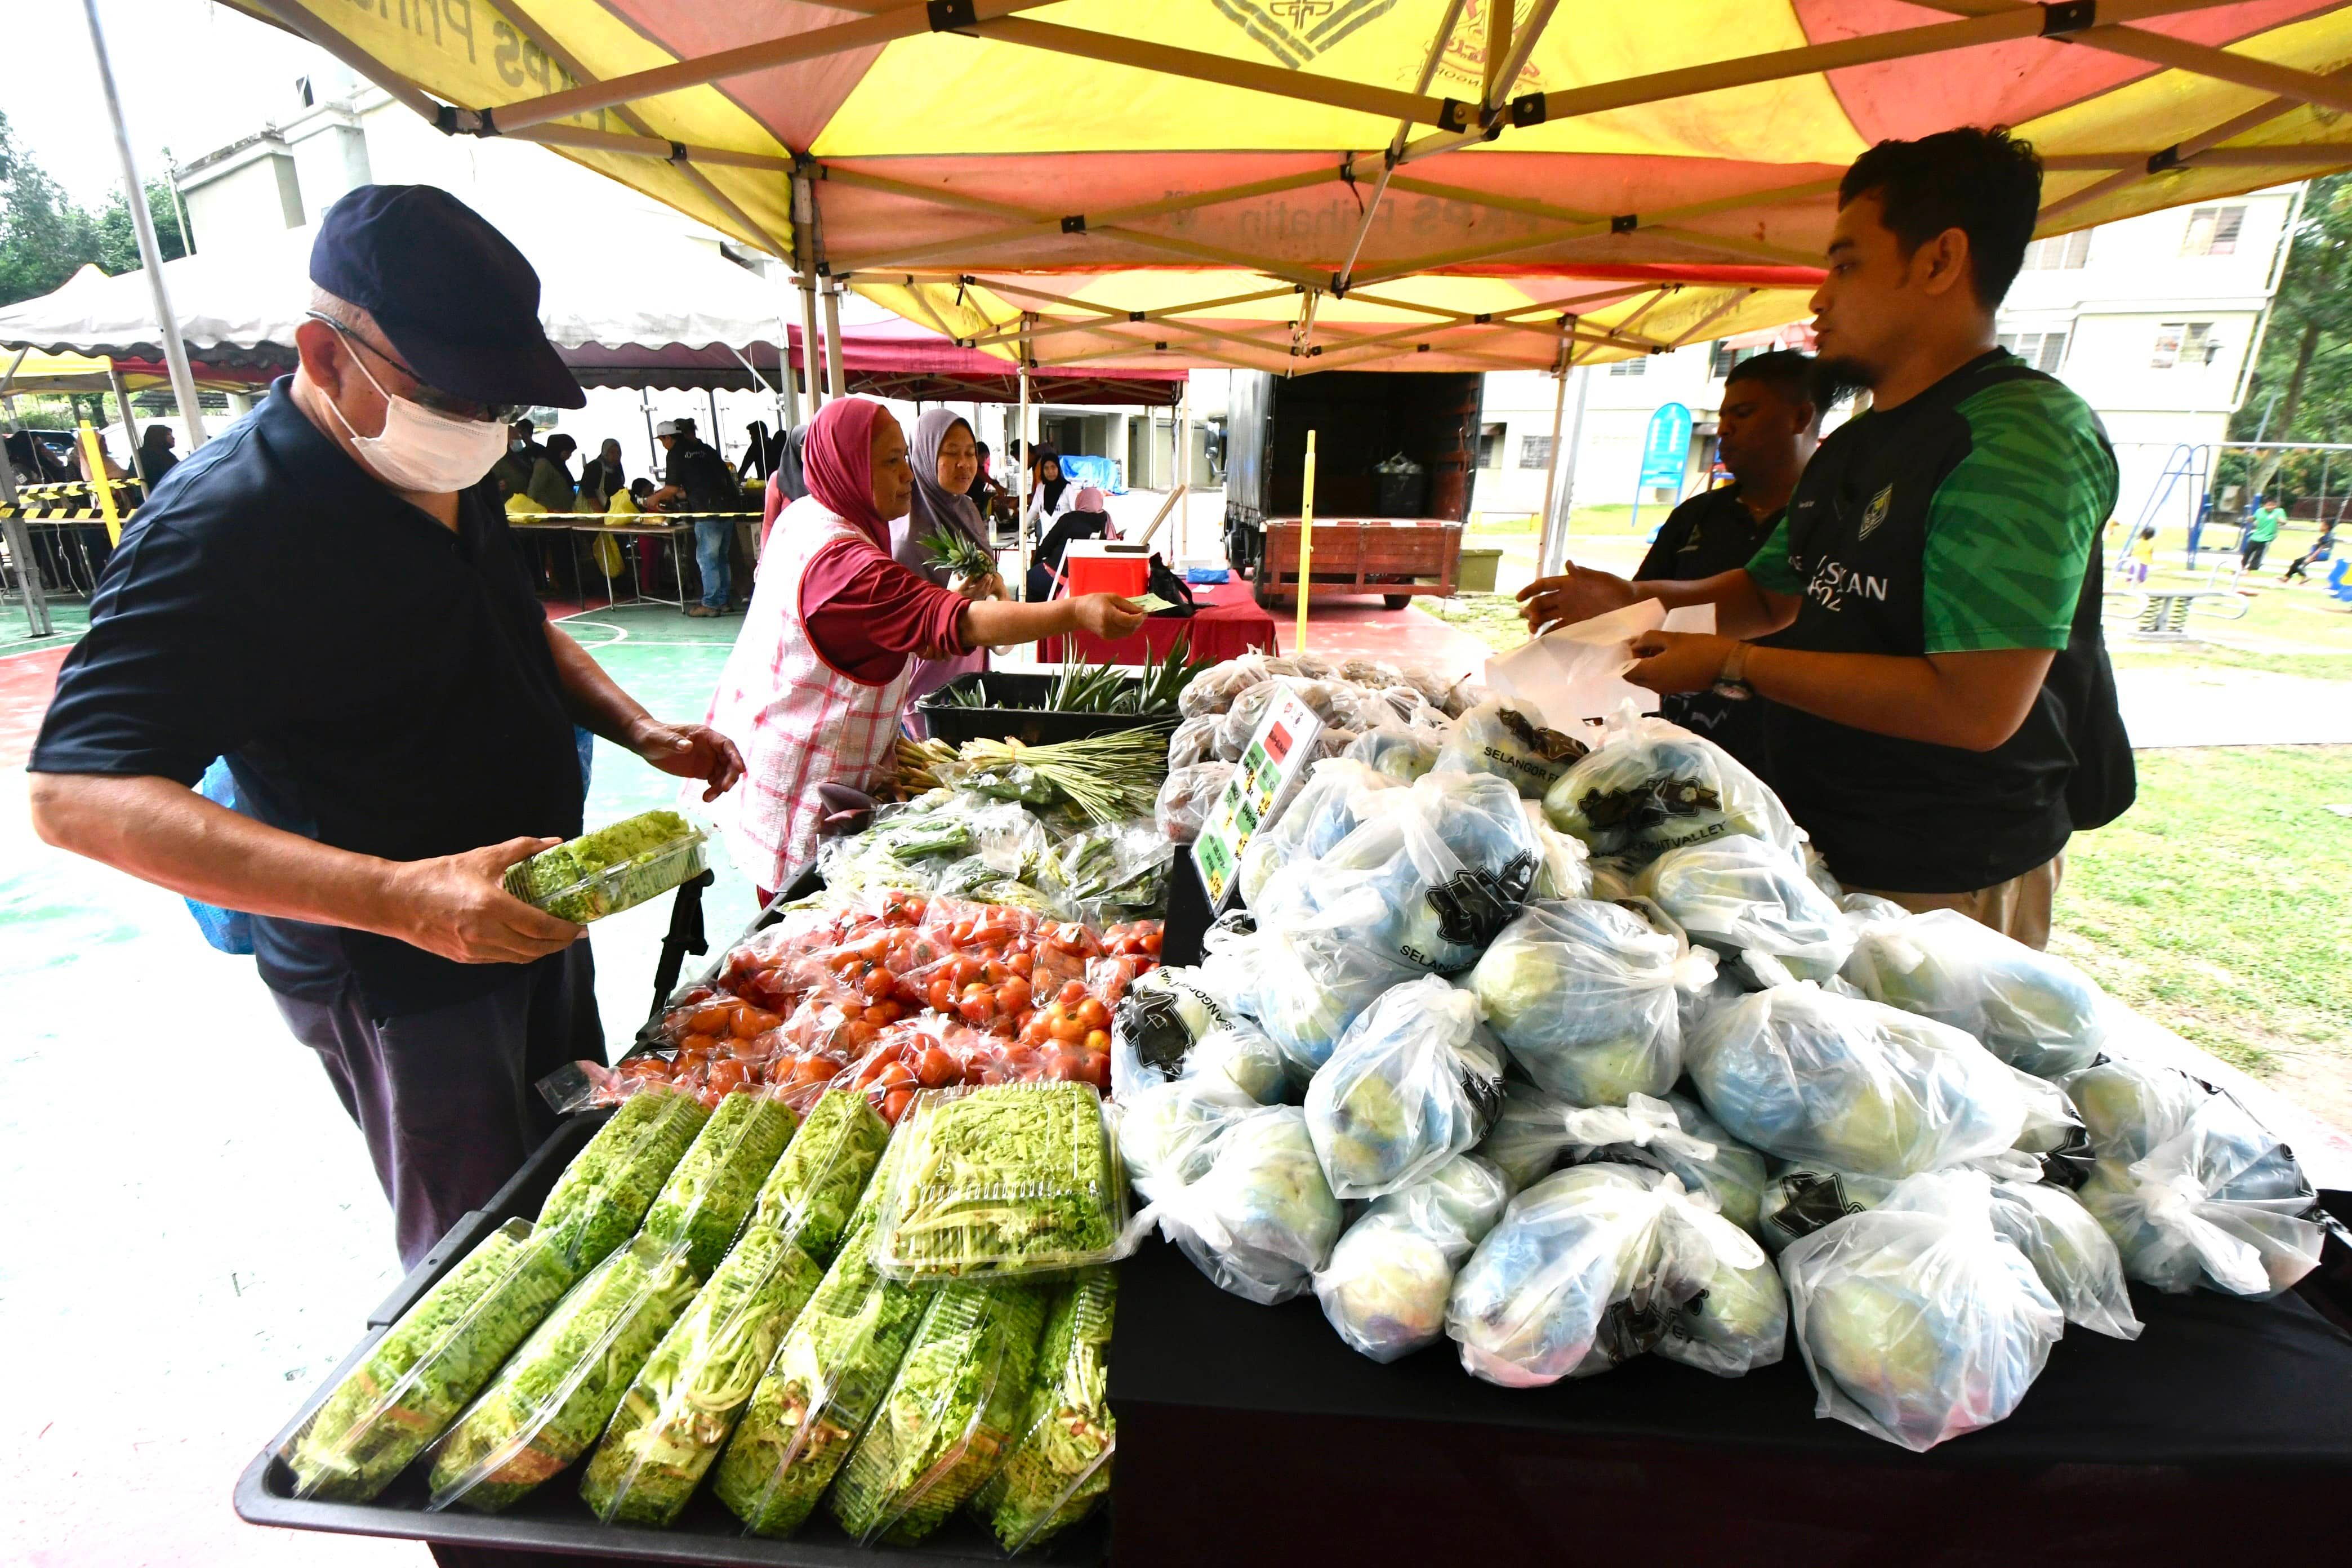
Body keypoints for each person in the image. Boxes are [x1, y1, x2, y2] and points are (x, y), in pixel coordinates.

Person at [25, 185, 744, 1267]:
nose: (484, 430)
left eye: (503, 407)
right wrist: (401, 896)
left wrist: (639, 726)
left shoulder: (443, 466)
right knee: (478, 1244)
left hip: (536, 908)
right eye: (454, 396)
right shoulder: (225, 525)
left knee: (578, 1155)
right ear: (325, 353)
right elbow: (74, 795)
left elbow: (511, 626)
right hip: (399, 973)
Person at [1517, 128, 2130, 951]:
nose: (1818, 299)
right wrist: (1637, 604)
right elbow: (1770, 595)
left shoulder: (2020, 439)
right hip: (1817, 840)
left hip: (1944, 871)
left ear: (1940, 261)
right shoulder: (1858, 443)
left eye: (1845, 265)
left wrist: (1736, 665)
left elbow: (1980, 704)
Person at [703, 397, 1146, 902]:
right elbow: (957, 622)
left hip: (778, 755)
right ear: (846, 466)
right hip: (802, 792)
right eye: (891, 461)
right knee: (796, 926)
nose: (908, 474)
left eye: (905, 458)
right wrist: (1075, 612)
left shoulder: (807, 514)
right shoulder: (847, 567)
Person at [1615, 350, 1822, 776]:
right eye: (1724, 415)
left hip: (1789, 756)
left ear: (1801, 418)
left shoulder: (1832, 523)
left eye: (1743, 413)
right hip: (1679, 744)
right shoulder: (1695, 517)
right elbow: (1643, 616)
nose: (1724, 428)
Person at [890, 409, 1004, 705]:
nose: (965, 464)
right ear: (926, 455)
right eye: (951, 453)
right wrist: (949, 599)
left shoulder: (967, 508)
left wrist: (996, 585)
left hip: (971, 650)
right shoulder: (904, 527)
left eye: (970, 453)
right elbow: (899, 618)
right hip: (927, 665)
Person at [646, 417, 743, 617]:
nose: (663, 445)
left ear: (668, 438)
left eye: (662, 440)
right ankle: (724, 601)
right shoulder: (705, 450)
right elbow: (704, 482)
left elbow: (673, 488)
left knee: (707, 559)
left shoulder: (676, 454)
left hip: (707, 511)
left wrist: (654, 498)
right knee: (722, 558)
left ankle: (710, 604)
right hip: (727, 508)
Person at [1029, 485, 1115, 603]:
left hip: (1058, 573)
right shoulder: (1106, 520)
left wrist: (1036, 564)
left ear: (1080, 500)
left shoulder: (1069, 519)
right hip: (1087, 577)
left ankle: (1036, 618)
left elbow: (1046, 546)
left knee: (1026, 584)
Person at [1022, 444, 1075, 541]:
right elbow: (1032, 512)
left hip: (1062, 542)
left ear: (1058, 468)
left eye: (1053, 467)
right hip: (1046, 543)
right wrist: (1021, 530)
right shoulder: (1040, 489)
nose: (1050, 471)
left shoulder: (1067, 488)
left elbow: (1076, 514)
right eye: (1046, 468)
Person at [491, 416, 544, 497]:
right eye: (515, 440)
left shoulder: (522, 456)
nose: (519, 442)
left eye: (519, 439)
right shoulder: (497, 461)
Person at [527, 433, 578, 513]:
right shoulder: (544, 464)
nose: (570, 455)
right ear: (558, 450)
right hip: (549, 516)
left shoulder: (559, 465)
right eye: (567, 452)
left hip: (560, 514)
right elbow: (534, 491)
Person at [2284, 517, 2337, 582]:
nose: (2320, 526)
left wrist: (2311, 558)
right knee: (2297, 562)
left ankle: (2305, 577)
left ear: (2327, 527)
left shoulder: (2327, 537)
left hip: (2320, 554)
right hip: (2321, 554)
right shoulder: (2330, 535)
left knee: (2300, 565)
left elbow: (2321, 549)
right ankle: (2287, 577)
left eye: (2322, 525)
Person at [2242, 495, 2284, 572]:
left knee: (2259, 555)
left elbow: (2284, 522)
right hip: (2256, 536)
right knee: (2247, 552)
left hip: (2267, 537)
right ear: (2264, 505)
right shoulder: (2260, 511)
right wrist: (2249, 519)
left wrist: (2280, 521)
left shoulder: (2279, 511)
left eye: (2274, 505)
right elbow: (2253, 519)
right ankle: (2242, 566)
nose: (2272, 507)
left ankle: (2251, 570)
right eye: (2270, 505)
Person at [584, 436, 627, 504]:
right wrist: (600, 513)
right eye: (612, 452)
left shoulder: (617, 469)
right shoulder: (595, 466)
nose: (616, 456)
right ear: (605, 453)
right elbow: (588, 491)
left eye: (619, 453)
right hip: (599, 511)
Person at [136, 424, 180, 489]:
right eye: (169, 435)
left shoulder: (139, 454)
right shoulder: (163, 457)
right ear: (159, 437)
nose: (173, 438)